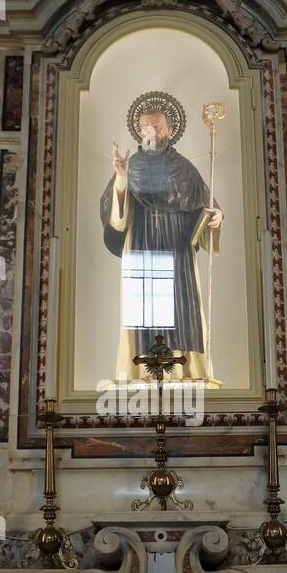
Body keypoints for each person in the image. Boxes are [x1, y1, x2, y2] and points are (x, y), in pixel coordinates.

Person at [100, 90, 222, 383]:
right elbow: (114, 214)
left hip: (176, 245)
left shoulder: (185, 168)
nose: (150, 132)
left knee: (182, 304)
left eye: (156, 126)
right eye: (144, 127)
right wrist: (121, 177)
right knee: (145, 306)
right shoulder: (131, 166)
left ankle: (185, 370)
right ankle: (144, 370)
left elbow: (206, 207)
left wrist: (216, 218)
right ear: (138, 132)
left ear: (168, 130)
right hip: (142, 243)